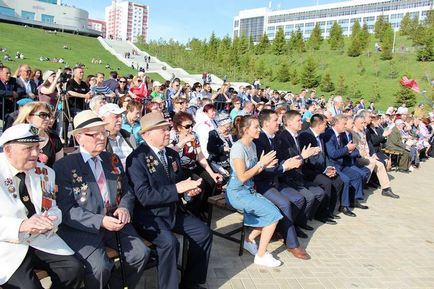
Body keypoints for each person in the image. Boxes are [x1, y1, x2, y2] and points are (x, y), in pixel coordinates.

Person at [53, 110, 149, 289]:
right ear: (79, 137)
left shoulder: (111, 159)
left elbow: (127, 190)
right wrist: (100, 220)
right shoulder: (64, 166)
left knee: (141, 253)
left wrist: (124, 207)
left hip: (115, 221)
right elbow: (66, 209)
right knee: (100, 268)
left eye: (103, 132)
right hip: (82, 227)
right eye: (94, 134)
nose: (101, 137)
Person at [126, 112, 212, 289]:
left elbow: (178, 183)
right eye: (162, 130)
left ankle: (191, 282)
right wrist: (177, 189)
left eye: (167, 129)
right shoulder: (136, 159)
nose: (167, 132)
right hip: (150, 216)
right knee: (170, 244)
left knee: (204, 233)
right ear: (146, 134)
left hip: (173, 211)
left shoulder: (172, 155)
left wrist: (188, 192)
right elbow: (143, 196)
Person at [0, 123, 83, 289]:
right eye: (28, 148)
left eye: (37, 147)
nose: (35, 154)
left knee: (73, 270)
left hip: (41, 239)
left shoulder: (45, 172)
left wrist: (50, 220)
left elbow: (52, 208)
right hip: (6, 246)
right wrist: (22, 225)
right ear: (8, 150)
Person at [226, 115, 283, 267]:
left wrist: (264, 165)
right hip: (237, 192)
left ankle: (248, 240)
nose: (259, 130)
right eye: (256, 127)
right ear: (246, 130)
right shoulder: (238, 148)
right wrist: (261, 164)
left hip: (248, 190)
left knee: (273, 213)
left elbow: (253, 170)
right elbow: (242, 176)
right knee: (273, 215)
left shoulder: (252, 145)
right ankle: (261, 255)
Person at [253, 109, 310, 259]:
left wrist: (289, 162)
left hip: (276, 180)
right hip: (261, 183)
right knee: (285, 203)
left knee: (299, 199)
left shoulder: (277, 139)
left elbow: (282, 160)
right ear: (266, 123)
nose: (279, 122)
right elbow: (261, 170)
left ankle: (282, 229)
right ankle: (292, 244)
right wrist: (284, 166)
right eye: (275, 120)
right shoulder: (259, 141)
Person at [276, 110, 325, 229]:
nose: (301, 122)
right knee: (308, 197)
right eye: (298, 120)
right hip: (287, 178)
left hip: (298, 175)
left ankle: (301, 222)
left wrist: (307, 155)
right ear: (288, 122)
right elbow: (287, 161)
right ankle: (291, 227)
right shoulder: (283, 138)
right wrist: (304, 156)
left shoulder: (295, 136)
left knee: (319, 193)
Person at [169, 111, 222, 219]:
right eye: (187, 126)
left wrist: (212, 173)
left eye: (191, 125)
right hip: (180, 168)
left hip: (192, 165)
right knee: (199, 183)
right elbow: (170, 153)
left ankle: (201, 209)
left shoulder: (194, 135)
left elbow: (200, 155)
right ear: (179, 127)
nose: (190, 129)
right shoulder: (173, 136)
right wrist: (183, 142)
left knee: (212, 181)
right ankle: (191, 212)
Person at [298, 114, 344, 223]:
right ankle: (320, 214)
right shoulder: (305, 136)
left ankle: (329, 211)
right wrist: (324, 171)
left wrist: (329, 167)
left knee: (338, 180)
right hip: (308, 170)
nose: (327, 126)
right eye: (325, 124)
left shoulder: (320, 136)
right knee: (326, 182)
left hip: (320, 168)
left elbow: (324, 156)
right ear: (319, 125)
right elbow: (309, 160)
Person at [323, 114, 365, 217]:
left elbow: (343, 150)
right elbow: (332, 154)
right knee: (345, 179)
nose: (345, 126)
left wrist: (348, 149)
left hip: (341, 164)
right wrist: (347, 149)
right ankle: (344, 206)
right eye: (344, 123)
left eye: (346, 123)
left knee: (357, 175)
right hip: (332, 165)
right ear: (337, 124)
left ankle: (353, 200)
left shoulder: (341, 134)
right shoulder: (329, 134)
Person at [352, 114, 399, 198]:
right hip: (358, 156)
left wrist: (372, 154)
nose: (363, 125)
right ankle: (361, 186)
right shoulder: (352, 132)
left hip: (367, 155)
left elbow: (368, 144)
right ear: (355, 123)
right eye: (361, 123)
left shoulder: (363, 131)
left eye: (364, 123)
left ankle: (386, 189)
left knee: (380, 165)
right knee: (373, 163)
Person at [13, 101, 64, 168]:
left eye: (49, 116)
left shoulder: (54, 138)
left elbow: (60, 167)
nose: (48, 119)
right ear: (28, 118)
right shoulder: (17, 138)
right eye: (43, 115)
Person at [99, 103, 137, 169]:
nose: (120, 120)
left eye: (121, 116)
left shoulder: (128, 136)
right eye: (116, 117)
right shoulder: (99, 140)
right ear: (103, 119)